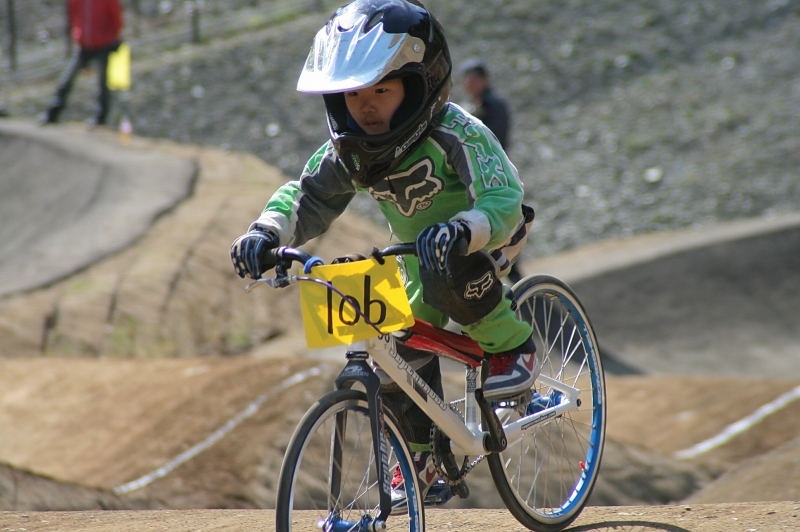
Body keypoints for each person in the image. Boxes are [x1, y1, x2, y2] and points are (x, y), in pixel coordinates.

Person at [230, 0, 539, 505]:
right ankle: (420, 454)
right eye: (352, 93)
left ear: (420, 86)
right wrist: (265, 232)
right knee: (391, 347)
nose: (365, 106)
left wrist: (467, 228)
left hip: (484, 239)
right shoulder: (352, 151)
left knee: (445, 268)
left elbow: (505, 197)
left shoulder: (456, 132)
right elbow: (306, 196)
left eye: (381, 89)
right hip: (412, 255)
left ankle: (511, 347)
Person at [40, 0, 124, 126]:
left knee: (103, 82)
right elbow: (73, 16)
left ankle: (101, 118)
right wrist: (77, 35)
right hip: (83, 45)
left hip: (104, 44)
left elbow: (117, 19)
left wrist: (112, 37)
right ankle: (52, 113)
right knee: (67, 78)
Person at [459, 59, 510, 149]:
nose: (471, 84)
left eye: (475, 79)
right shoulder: (466, 106)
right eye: (467, 80)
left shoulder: (494, 105)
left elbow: (497, 135)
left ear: (485, 80)